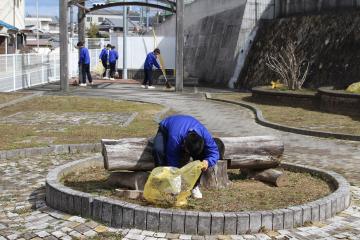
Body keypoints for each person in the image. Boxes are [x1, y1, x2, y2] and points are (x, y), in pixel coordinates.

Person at [152, 115, 222, 199]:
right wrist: (175, 183)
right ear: (184, 143)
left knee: (202, 156)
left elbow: (214, 152)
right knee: (158, 149)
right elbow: (172, 159)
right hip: (166, 129)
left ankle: (194, 186)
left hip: (184, 127)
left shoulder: (205, 135)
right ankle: (162, 182)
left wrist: (207, 161)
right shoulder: (175, 137)